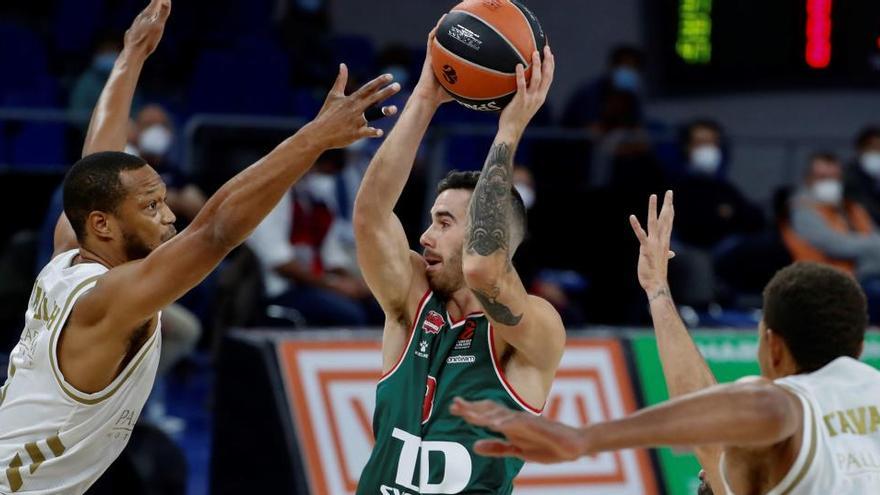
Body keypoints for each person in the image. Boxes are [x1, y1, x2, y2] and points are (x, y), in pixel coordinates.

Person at [0, 1, 400, 493]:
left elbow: (97, 157)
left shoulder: (70, 251)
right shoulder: (107, 301)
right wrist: (315, 137)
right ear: (103, 224)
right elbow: (214, 231)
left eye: (164, 200)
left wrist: (131, 56)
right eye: (150, 207)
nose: (168, 215)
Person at [453, 191, 880, 494]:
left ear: (773, 348)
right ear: (858, 347)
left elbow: (758, 408)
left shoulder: (779, 414)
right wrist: (657, 291)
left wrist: (587, 438)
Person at [353, 22, 565, 494]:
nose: (425, 236)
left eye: (445, 223)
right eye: (431, 219)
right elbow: (370, 216)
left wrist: (509, 129)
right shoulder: (410, 303)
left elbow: (482, 268)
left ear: (492, 237)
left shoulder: (534, 330)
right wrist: (426, 96)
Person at [844, 126, 880, 224]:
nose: (877, 152)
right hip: (861, 230)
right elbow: (861, 208)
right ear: (860, 149)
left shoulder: (876, 177)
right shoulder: (848, 176)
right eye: (873, 147)